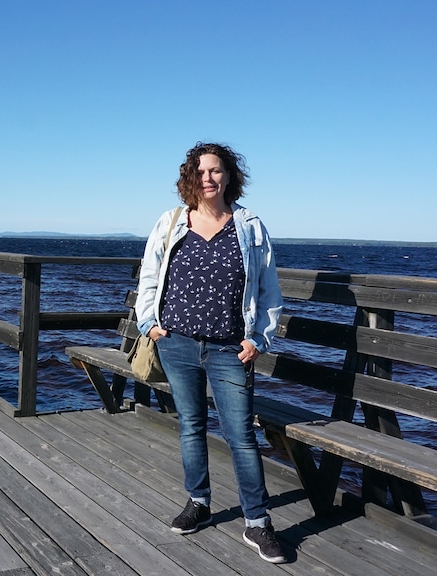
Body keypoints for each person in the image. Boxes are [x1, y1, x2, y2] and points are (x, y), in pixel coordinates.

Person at [134, 142, 286, 563]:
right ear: (190, 177)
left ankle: (257, 523)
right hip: (177, 343)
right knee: (190, 427)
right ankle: (198, 502)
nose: (208, 178)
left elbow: (269, 289)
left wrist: (260, 338)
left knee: (241, 436)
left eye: (216, 171)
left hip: (229, 350)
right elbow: (149, 277)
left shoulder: (249, 226)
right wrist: (150, 324)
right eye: (200, 172)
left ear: (228, 176)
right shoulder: (171, 222)